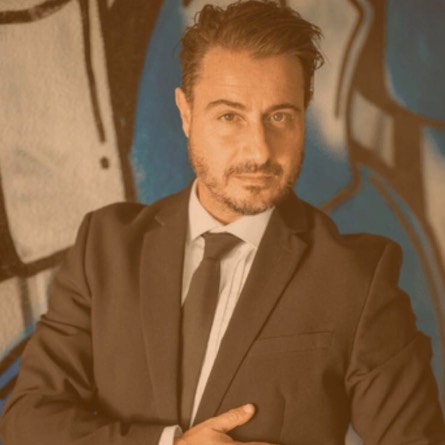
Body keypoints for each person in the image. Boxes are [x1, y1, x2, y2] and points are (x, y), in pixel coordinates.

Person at [1, 1, 444, 444]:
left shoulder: (357, 277)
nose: (259, 150)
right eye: (230, 116)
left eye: (280, 117)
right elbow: (28, 422)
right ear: (186, 113)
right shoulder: (105, 248)